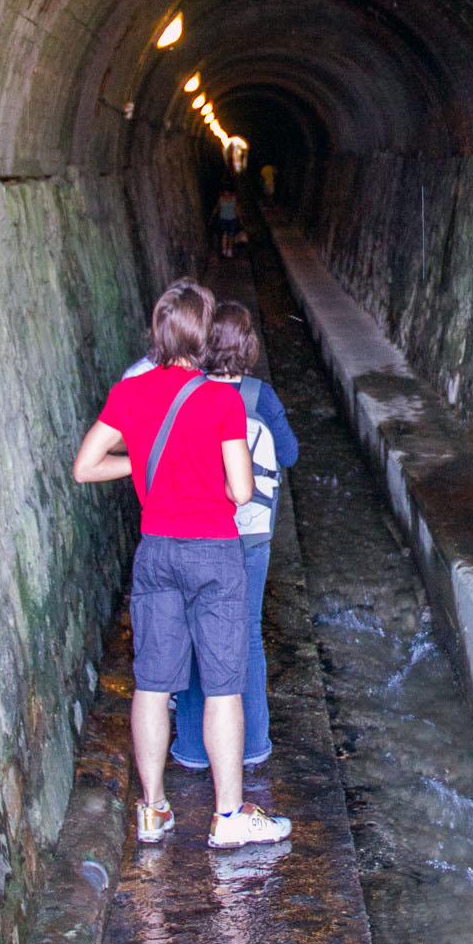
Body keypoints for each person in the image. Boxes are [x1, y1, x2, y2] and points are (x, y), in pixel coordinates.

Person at [72, 278, 291, 850]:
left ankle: (152, 810)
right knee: (222, 686)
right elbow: (242, 492)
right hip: (213, 554)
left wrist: (144, 465)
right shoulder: (220, 400)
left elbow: (86, 467)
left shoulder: (132, 394)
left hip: (156, 552)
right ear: (203, 335)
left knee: (152, 683)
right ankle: (227, 817)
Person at [171, 301, 299, 774]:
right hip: (251, 538)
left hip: (200, 531)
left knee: (194, 632)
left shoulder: (188, 391)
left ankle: (190, 749)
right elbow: (289, 453)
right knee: (246, 636)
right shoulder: (261, 396)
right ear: (248, 347)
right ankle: (254, 744)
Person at [213, 186, 242, 258]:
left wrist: (240, 218)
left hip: (233, 219)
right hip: (223, 219)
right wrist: (212, 216)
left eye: (227, 191)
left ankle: (229, 250)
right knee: (224, 234)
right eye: (225, 192)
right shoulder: (221, 199)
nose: (226, 193)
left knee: (231, 235)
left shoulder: (234, 199)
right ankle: (224, 250)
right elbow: (217, 207)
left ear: (230, 192)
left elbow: (237, 209)